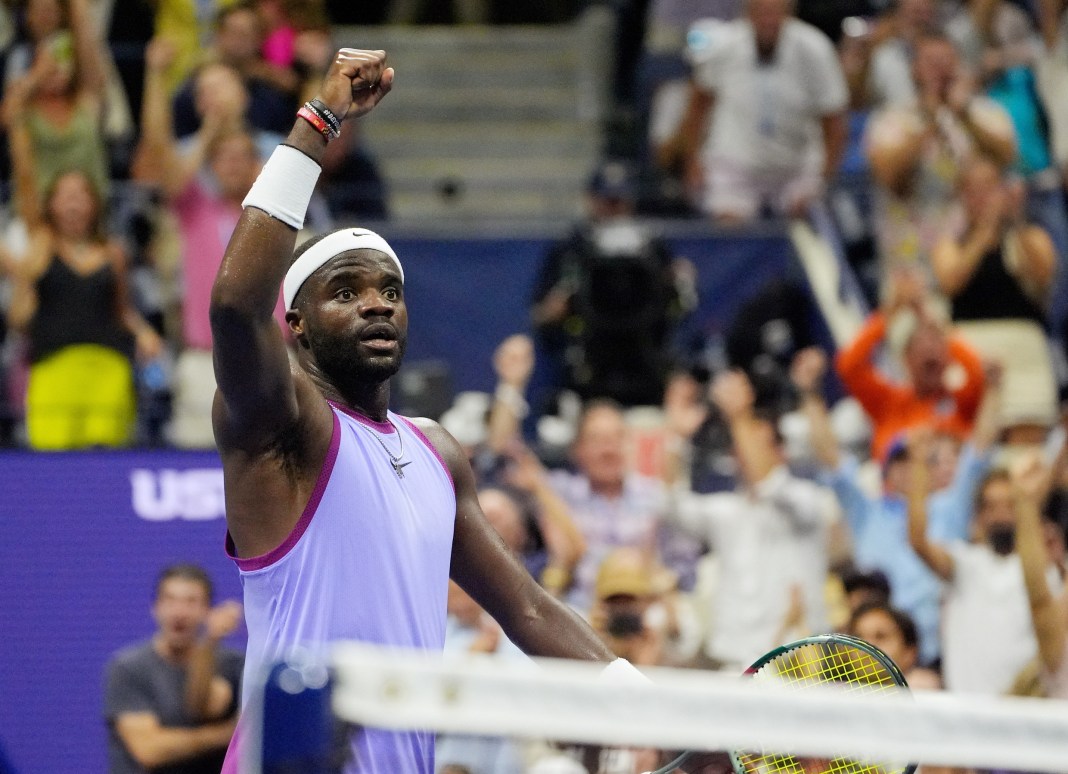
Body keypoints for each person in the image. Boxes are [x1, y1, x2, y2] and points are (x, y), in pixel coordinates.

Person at [210, 49, 628, 774]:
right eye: (345, 291)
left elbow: (528, 610)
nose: (376, 301)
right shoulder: (284, 426)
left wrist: (653, 704)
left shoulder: (437, 451)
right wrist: (319, 123)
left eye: (390, 290)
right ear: (296, 325)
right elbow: (233, 303)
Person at [662, 0, 848, 223]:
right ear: (747, 14)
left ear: (789, 14)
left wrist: (822, 180)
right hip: (735, 166)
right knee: (728, 228)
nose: (767, 21)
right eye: (761, 13)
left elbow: (834, 121)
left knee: (809, 224)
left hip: (795, 167)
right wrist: (693, 162)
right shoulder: (723, 45)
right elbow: (697, 108)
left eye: (774, 13)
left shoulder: (815, 48)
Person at [103, 563, 244, 774]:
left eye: (191, 602)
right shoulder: (128, 668)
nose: (180, 612)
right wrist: (228, 734)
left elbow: (204, 707)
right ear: (155, 607)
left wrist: (210, 641)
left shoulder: (230, 663)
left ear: (207, 611)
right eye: (170, 600)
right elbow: (149, 750)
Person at [835, 270, 986, 462]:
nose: (929, 350)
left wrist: (939, 326)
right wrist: (890, 312)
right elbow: (849, 366)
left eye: (936, 343)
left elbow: (980, 373)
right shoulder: (888, 403)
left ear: (949, 357)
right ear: (904, 359)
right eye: (918, 346)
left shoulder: (962, 402)